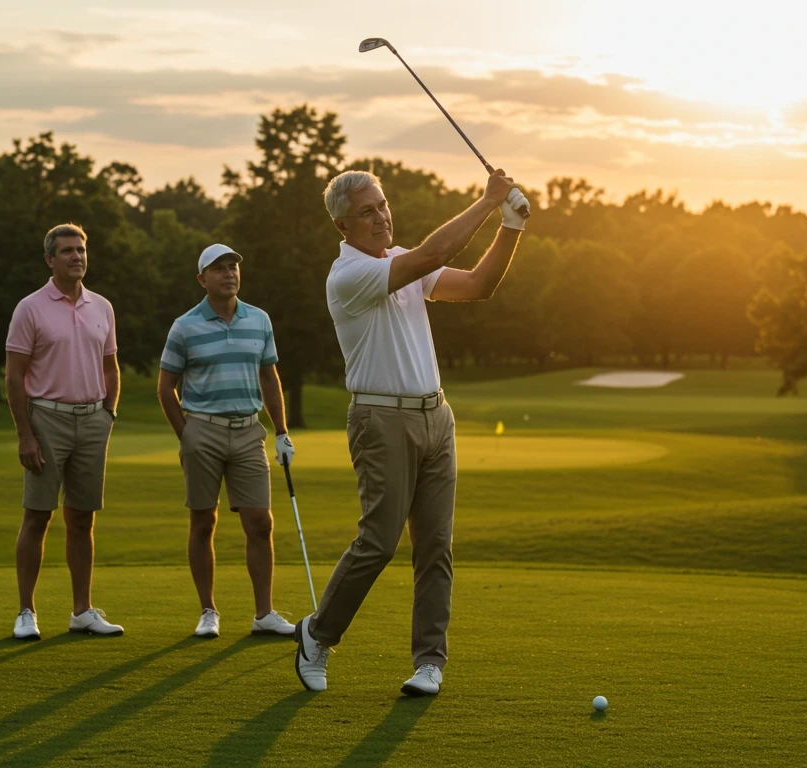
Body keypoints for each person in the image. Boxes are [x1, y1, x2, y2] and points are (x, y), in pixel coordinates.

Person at [294, 168, 530, 695]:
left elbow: (478, 286)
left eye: (382, 205)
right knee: (378, 542)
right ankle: (318, 634)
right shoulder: (350, 275)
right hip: (381, 419)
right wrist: (487, 201)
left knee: (435, 547)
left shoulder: (401, 260)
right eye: (366, 212)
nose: (381, 216)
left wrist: (510, 226)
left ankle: (429, 662)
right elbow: (430, 254)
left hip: (436, 416)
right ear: (342, 226)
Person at [157, 244, 298, 639]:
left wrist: (282, 431)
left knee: (260, 522)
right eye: (219, 268)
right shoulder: (185, 326)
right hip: (202, 430)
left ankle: (264, 614)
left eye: (233, 266)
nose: (229, 273)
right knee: (203, 521)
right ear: (202, 279)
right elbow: (166, 388)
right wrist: (187, 434)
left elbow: (269, 377)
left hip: (249, 431)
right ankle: (208, 611)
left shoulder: (259, 319)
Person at [5, 223, 124, 640]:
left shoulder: (102, 307)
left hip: (93, 419)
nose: (77, 257)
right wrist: (25, 434)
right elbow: (14, 376)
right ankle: (26, 612)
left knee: (83, 518)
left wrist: (108, 414)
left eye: (81, 250)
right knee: (38, 515)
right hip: (46, 419)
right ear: (50, 259)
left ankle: (82, 611)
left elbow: (111, 367)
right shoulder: (30, 308)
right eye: (67, 251)